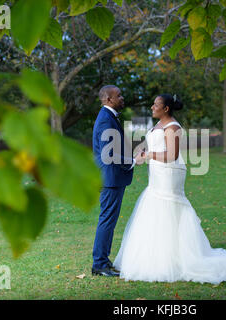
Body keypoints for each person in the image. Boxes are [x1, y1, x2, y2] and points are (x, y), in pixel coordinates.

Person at [113, 94, 226, 284]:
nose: (152, 107)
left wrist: (148, 154)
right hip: (157, 172)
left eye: (156, 105)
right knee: (154, 208)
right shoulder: (158, 125)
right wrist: (142, 154)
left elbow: (172, 154)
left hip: (169, 173)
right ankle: (160, 255)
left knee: (167, 208)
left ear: (166, 108)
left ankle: (175, 259)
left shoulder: (173, 127)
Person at [91, 85, 145, 277]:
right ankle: (99, 265)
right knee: (107, 221)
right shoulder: (106, 119)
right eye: (118, 95)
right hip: (110, 179)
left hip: (111, 177)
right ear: (108, 99)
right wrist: (133, 161)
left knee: (108, 220)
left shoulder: (109, 116)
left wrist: (132, 152)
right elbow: (109, 154)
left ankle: (103, 261)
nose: (122, 97)